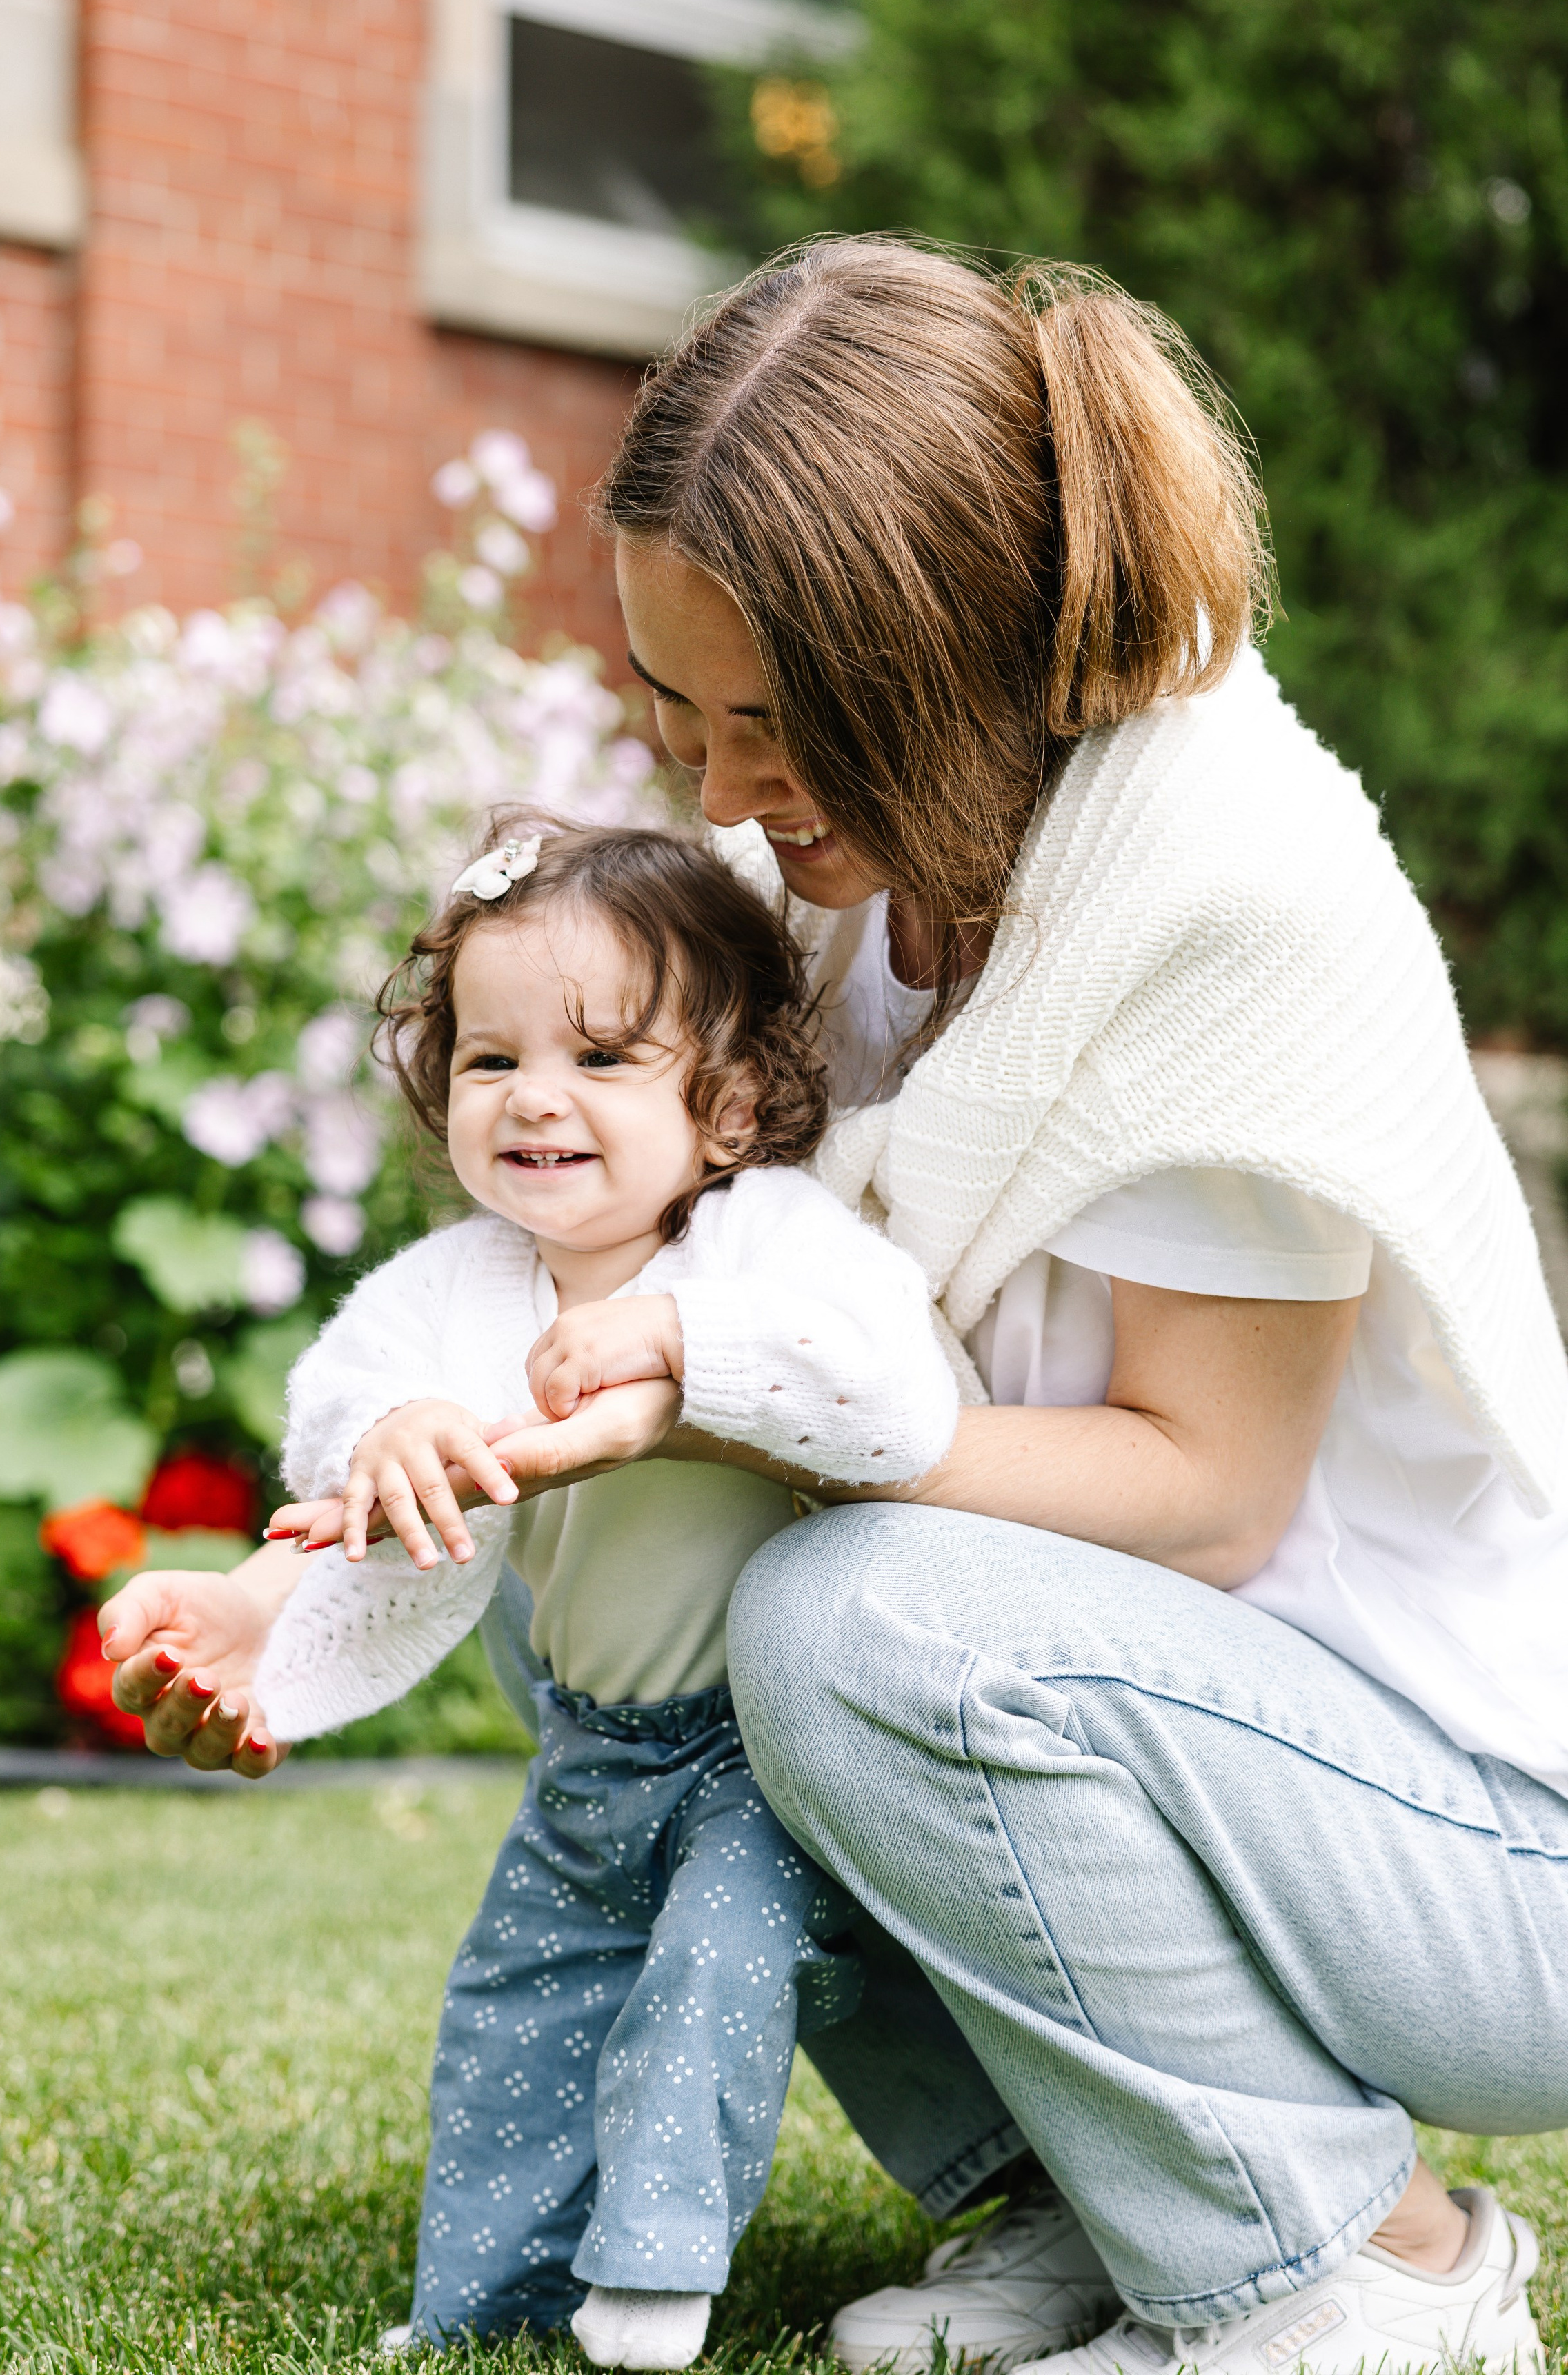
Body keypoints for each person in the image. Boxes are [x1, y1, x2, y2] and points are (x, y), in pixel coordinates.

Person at [101, 241, 1568, 2375]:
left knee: (844, 1608)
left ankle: (1362, 2266)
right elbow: (582, 1298)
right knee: (628, 1579)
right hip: (1184, 1740)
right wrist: (295, 1587)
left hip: (1472, 1852)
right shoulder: (860, 896)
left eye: (770, 729)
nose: (714, 797)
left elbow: (1210, 1496)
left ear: (947, 670)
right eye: (669, 716)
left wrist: (715, 1402)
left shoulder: (1226, 910)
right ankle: (1093, 2194)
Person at [253, 815, 959, 2367]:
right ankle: (480, 2299)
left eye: (602, 1056)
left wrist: (680, 1352)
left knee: (710, 1971)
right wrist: (392, 1428)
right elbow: (334, 1400)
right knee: (519, 1999)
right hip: (587, 1749)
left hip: (756, 1751)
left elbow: (895, 1401)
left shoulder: (759, 1239)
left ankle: (651, 2271)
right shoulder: (464, 1281)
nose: (533, 1098)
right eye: (488, 1057)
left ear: (723, 1108)